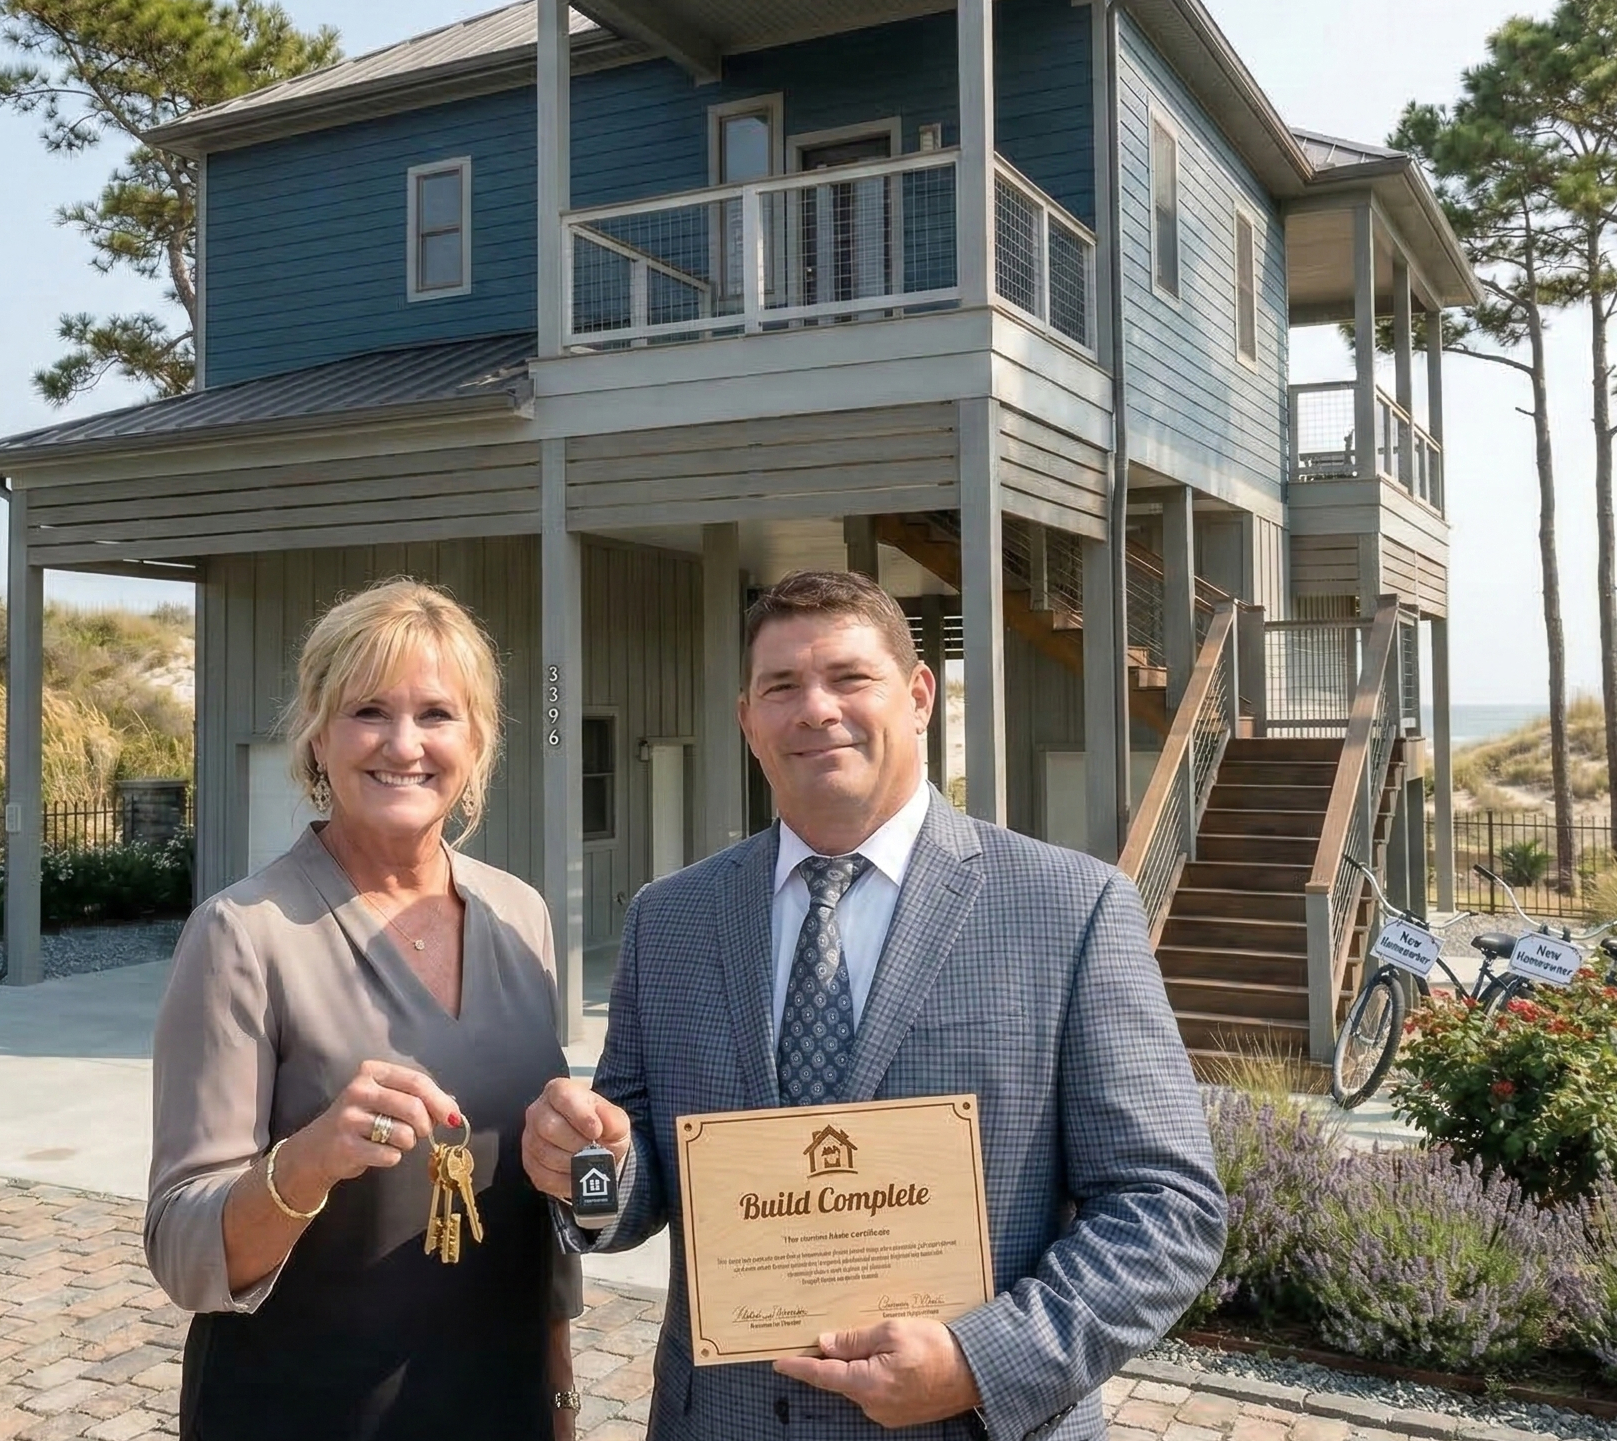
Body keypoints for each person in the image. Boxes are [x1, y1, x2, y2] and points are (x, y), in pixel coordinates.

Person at [524, 568, 1225, 1441]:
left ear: (920, 695)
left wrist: (978, 1362)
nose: (815, 709)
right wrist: (587, 1166)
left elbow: (1167, 1206)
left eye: (849, 677)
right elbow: (631, 1185)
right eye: (781, 686)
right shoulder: (669, 919)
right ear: (748, 720)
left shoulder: (1070, 909)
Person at [147, 578, 582, 1441]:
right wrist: (308, 1160)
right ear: (318, 733)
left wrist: (561, 1393)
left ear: (477, 740)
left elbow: (539, 1215)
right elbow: (182, 1250)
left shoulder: (520, 915)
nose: (403, 743)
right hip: (301, 1414)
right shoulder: (242, 934)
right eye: (368, 711)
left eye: (436, 714)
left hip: (502, 1410)